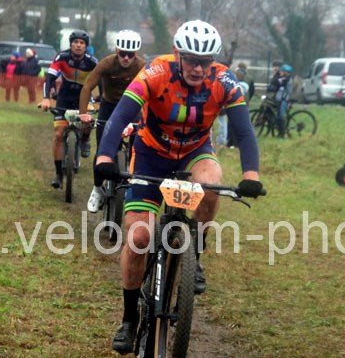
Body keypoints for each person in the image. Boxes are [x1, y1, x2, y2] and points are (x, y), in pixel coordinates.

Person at [92, 20, 263, 354]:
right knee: (139, 238)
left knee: (212, 183)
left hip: (194, 153)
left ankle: (194, 249)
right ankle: (128, 319)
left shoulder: (224, 81)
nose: (198, 68)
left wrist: (251, 175)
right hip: (150, 155)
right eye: (192, 60)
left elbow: (244, 131)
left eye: (206, 61)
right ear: (176, 54)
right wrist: (104, 157)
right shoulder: (155, 72)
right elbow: (120, 117)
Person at [78, 29, 147, 213]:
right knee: (102, 150)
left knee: (138, 147)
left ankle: (131, 179)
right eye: (122, 53)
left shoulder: (143, 66)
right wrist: (83, 113)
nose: (126, 58)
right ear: (117, 50)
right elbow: (87, 87)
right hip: (108, 107)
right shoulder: (107, 63)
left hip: (132, 109)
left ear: (136, 53)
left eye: (130, 54)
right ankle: (97, 188)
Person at [40, 30, 98, 188]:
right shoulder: (62, 57)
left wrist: (103, 98)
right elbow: (50, 77)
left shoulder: (92, 62)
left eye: (82, 43)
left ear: (86, 46)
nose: (78, 45)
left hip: (84, 98)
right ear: (71, 44)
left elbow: (102, 82)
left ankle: (85, 139)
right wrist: (46, 98)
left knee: (89, 120)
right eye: (75, 42)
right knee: (58, 135)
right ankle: (58, 174)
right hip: (64, 98)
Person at [275, 64, 294, 137]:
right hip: (280, 99)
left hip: (284, 100)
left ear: (286, 72)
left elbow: (287, 90)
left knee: (281, 116)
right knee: (279, 115)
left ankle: (282, 133)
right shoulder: (284, 79)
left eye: (282, 71)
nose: (280, 72)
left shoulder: (288, 80)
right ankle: (280, 132)